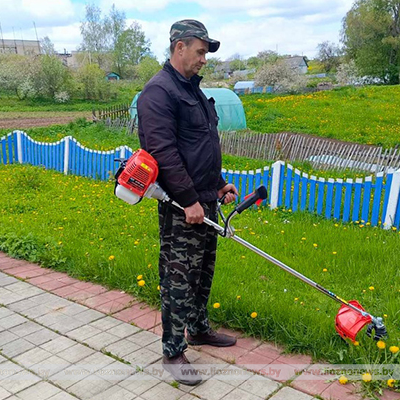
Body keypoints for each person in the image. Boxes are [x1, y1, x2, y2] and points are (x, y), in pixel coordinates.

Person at [136, 19, 239, 386]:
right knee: (179, 277)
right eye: (200, 51)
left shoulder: (193, 91)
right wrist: (190, 200)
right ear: (179, 47)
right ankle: (173, 350)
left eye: (206, 53)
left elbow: (200, 149)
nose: (204, 59)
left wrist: (220, 186)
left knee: (202, 273)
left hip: (204, 201)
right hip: (182, 209)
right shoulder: (159, 92)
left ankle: (197, 328)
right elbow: (162, 152)